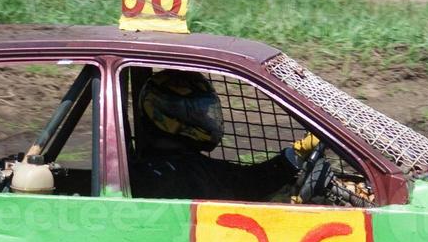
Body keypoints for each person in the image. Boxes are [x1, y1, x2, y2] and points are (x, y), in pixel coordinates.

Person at [128, 70, 300, 202]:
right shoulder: (180, 174)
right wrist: (292, 159)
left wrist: (290, 159)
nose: (207, 118)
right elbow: (248, 184)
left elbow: (245, 180)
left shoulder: (160, 166)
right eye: (199, 114)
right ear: (171, 114)